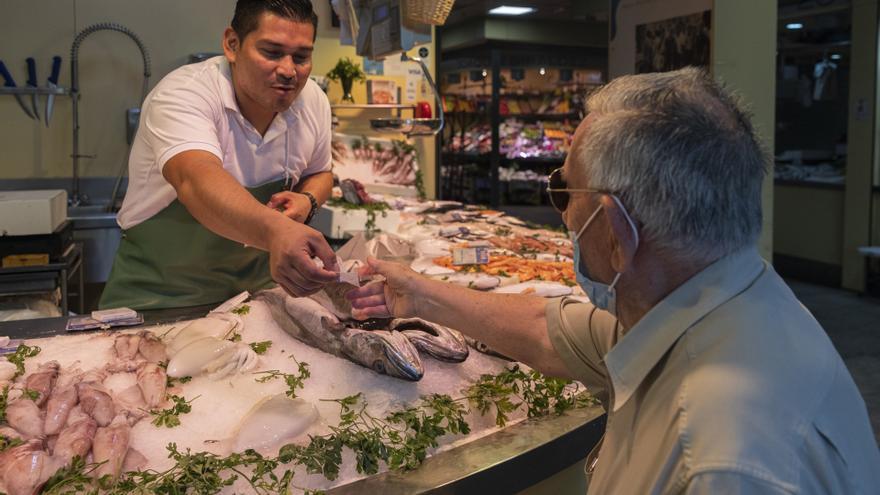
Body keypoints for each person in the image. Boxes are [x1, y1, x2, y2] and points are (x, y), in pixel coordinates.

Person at [348, 68, 880, 494]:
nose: (562, 219)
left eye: (565, 192)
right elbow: (545, 328)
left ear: (616, 229)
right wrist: (416, 292)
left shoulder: (723, 460)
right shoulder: (706, 307)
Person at [101, 0, 338, 310]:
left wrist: (307, 200)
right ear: (232, 44)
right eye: (272, 52)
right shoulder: (183, 93)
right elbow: (195, 179)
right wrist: (278, 229)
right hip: (159, 302)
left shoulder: (312, 102)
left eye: (302, 57)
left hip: (256, 304)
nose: (288, 71)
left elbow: (321, 173)